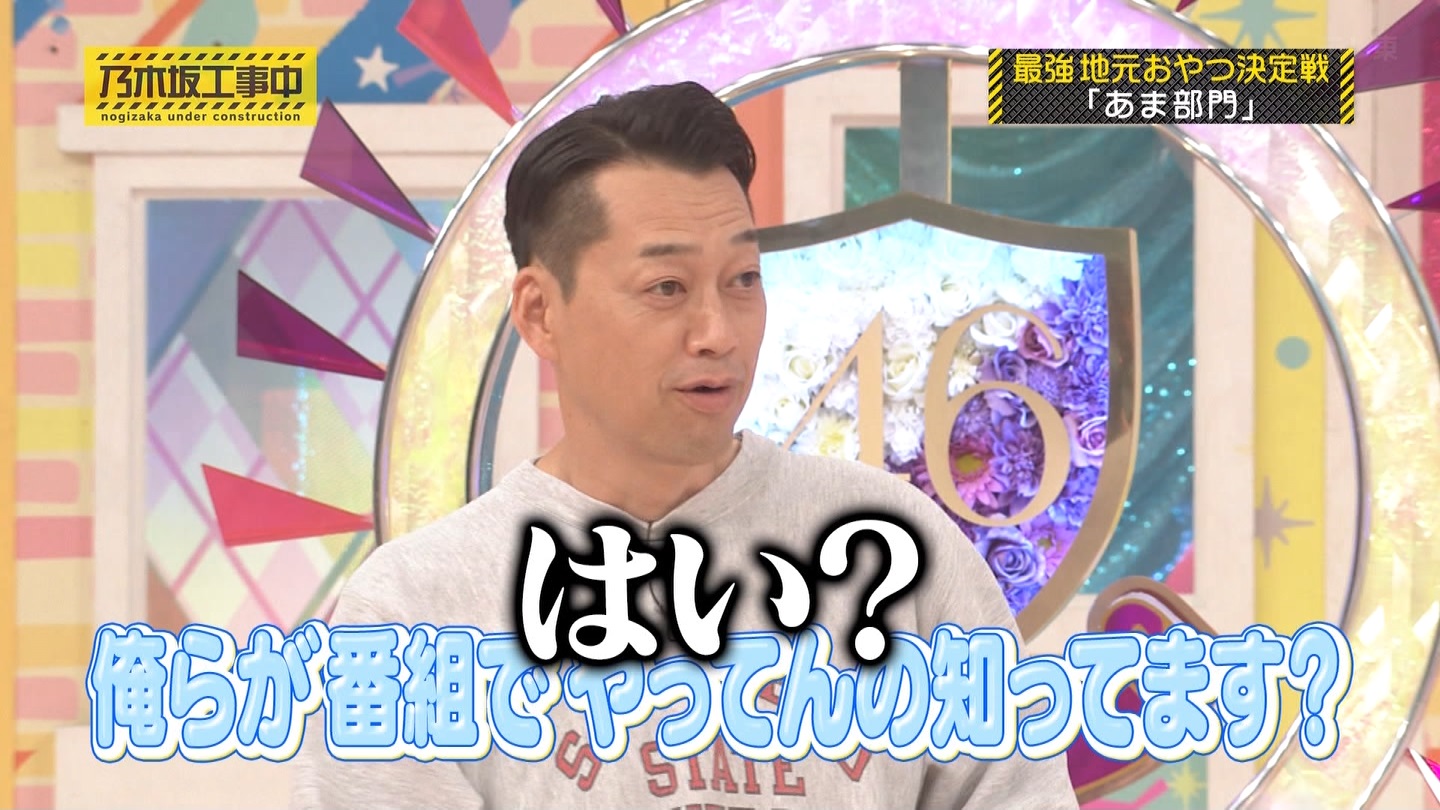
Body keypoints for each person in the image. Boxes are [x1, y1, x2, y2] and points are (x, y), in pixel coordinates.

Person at [289, 81, 1080, 810]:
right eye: (666, 288)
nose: (718, 333)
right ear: (539, 312)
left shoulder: (896, 551)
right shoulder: (416, 609)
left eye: (742, 280)